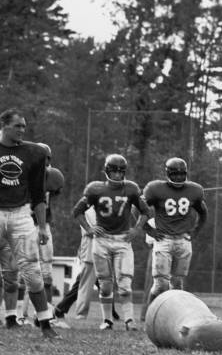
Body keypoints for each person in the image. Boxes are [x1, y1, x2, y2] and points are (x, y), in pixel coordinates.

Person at [73, 153, 149, 330]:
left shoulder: (131, 188)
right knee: (105, 284)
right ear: (107, 171)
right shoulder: (95, 189)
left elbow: (145, 211)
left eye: (121, 171)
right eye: (114, 171)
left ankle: (129, 320)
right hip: (102, 240)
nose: (117, 175)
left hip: (123, 240)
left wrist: (137, 229)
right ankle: (107, 320)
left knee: (124, 283)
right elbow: (77, 211)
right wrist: (89, 229)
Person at [0, 108, 59, 338]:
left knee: (32, 270)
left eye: (24, 126)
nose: (23, 130)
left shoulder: (33, 153)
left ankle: (45, 323)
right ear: (4, 125)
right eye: (18, 126)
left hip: (21, 214)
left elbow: (37, 195)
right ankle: (10, 316)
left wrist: (42, 226)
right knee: (9, 272)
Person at [141, 157, 207, 316]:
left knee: (177, 284)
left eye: (181, 174)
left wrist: (196, 231)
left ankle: (174, 318)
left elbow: (203, 212)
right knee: (160, 285)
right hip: (163, 239)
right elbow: (138, 207)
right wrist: (148, 229)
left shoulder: (194, 190)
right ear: (167, 174)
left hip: (183, 240)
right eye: (174, 174)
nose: (178, 177)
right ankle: (150, 317)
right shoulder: (155, 188)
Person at [19, 143, 65, 324]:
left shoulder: (53, 176)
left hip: (43, 226)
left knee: (46, 274)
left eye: (44, 158)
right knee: (21, 273)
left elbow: (53, 195)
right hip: (23, 226)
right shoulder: (21, 173)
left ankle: (46, 316)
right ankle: (18, 315)